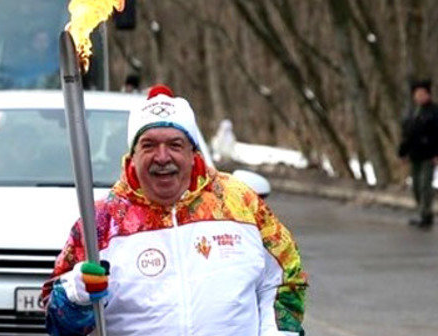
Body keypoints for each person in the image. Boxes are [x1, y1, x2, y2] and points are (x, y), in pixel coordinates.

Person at [41, 85, 308, 336]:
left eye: (175, 145)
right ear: (132, 155)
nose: (162, 157)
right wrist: (77, 296)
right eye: (148, 145)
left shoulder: (240, 203)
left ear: (193, 154)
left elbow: (286, 279)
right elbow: (57, 322)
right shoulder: (102, 221)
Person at [398, 79, 438, 229]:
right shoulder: (413, 113)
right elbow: (408, 134)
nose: (419, 97)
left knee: (424, 185)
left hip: (429, 153)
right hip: (415, 154)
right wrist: (403, 152)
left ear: (428, 94)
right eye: (417, 94)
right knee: (415, 186)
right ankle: (423, 212)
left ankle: (425, 215)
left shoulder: (434, 112)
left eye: (422, 94)